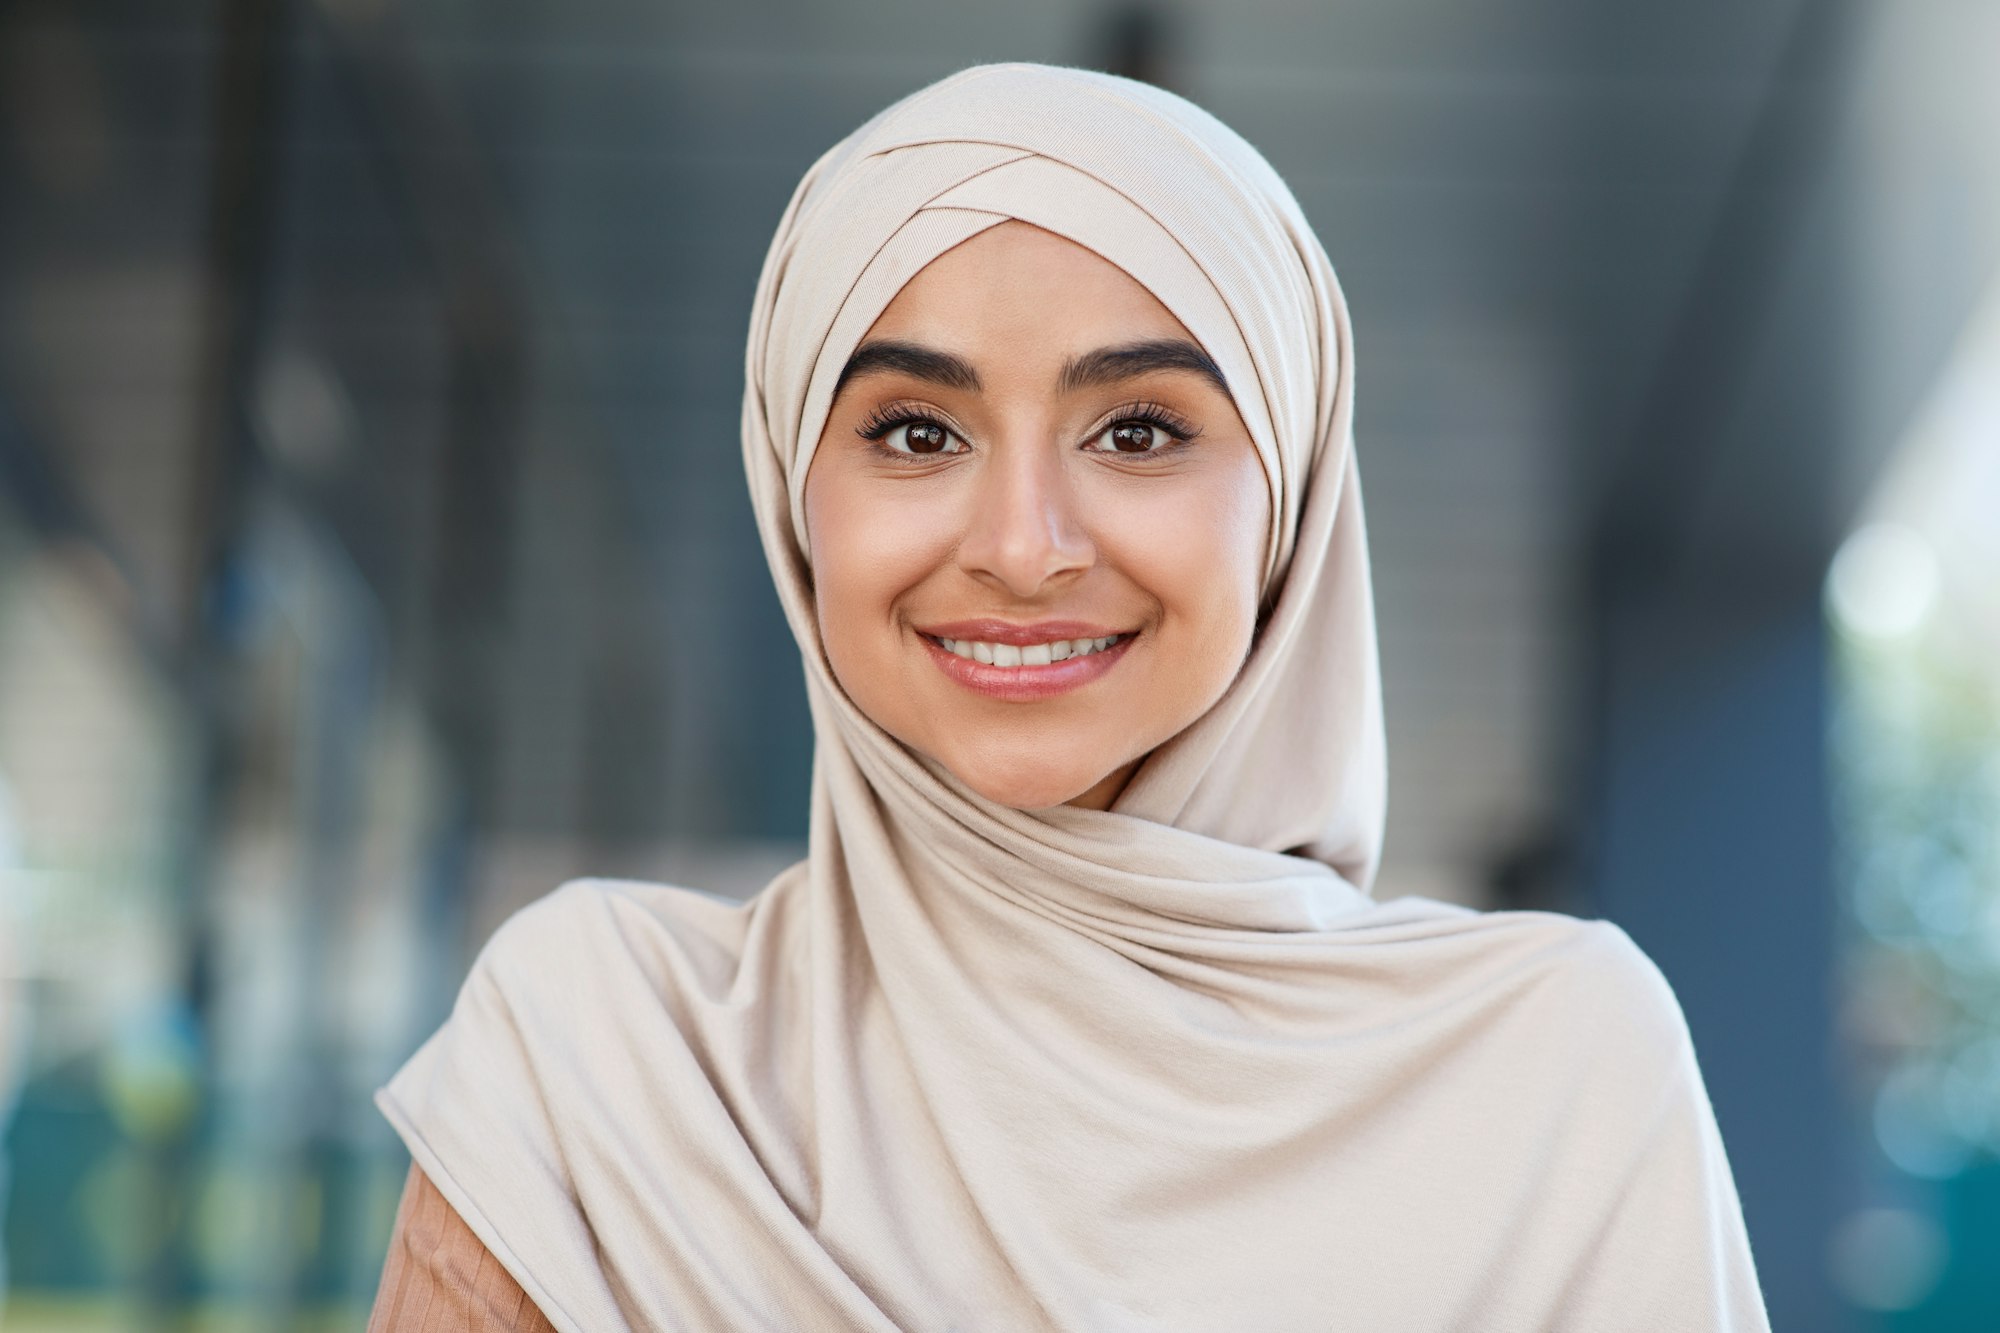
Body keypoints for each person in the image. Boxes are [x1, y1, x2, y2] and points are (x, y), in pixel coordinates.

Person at [367, 62, 1769, 1331]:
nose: (1024, 544)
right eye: (916, 431)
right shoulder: (598, 1057)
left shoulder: (1554, 1083)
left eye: (1141, 429)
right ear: (798, 500)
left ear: (1288, 501)